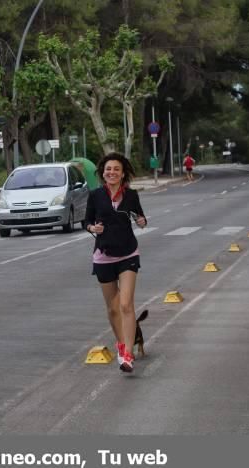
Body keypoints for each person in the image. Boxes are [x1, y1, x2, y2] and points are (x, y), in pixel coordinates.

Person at [85, 152, 147, 373]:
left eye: (116, 170)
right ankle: (121, 345)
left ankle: (128, 354)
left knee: (125, 305)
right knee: (112, 310)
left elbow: (140, 217)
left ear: (122, 174)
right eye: (108, 169)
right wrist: (93, 228)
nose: (111, 172)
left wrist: (141, 221)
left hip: (128, 254)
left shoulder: (130, 195)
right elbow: (87, 221)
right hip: (103, 256)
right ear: (103, 172)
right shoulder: (95, 196)